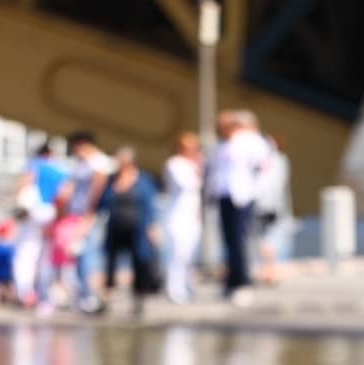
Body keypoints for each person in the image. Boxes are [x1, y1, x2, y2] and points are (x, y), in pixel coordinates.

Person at [207, 110, 270, 302]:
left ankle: (242, 281)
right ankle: (231, 280)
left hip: (241, 197)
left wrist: (255, 192)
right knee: (229, 241)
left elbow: (262, 166)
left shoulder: (249, 141)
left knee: (238, 240)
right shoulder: (220, 144)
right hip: (225, 196)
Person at [98, 146, 161, 317]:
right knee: (110, 264)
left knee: (138, 262)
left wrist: (152, 227)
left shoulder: (143, 180)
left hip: (137, 228)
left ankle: (138, 300)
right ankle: (107, 300)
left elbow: (150, 205)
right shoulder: (112, 180)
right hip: (115, 227)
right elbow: (102, 203)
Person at [59, 129, 112, 313]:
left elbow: (96, 190)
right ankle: (81, 294)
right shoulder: (80, 163)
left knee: (89, 254)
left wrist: (89, 214)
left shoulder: (98, 162)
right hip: (76, 214)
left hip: (90, 216)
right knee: (76, 254)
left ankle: (91, 295)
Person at [163, 131, 204, 303]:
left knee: (191, 254)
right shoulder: (175, 164)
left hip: (193, 217)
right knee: (178, 253)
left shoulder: (194, 164)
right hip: (177, 216)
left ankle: (187, 286)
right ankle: (174, 288)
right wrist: (198, 167)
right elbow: (187, 185)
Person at [254, 133, 292, 285]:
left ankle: (268, 271)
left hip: (266, 205)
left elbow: (269, 185)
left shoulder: (271, 161)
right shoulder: (280, 160)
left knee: (265, 239)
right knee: (267, 239)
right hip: (271, 205)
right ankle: (269, 270)